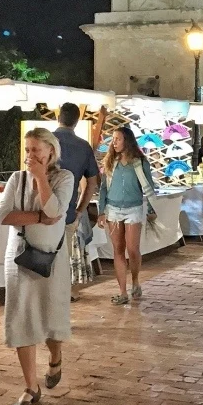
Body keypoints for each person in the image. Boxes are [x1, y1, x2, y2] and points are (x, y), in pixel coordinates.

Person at [0, 127, 75, 405]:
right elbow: (5, 215)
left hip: (51, 259)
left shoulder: (64, 178)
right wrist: (38, 217)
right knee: (21, 318)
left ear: (51, 152)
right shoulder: (16, 180)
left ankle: (55, 358)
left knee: (51, 316)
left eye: (36, 150)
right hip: (18, 255)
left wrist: (41, 179)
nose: (30, 156)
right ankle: (30, 386)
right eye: (27, 150)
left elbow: (56, 212)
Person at [98, 127, 156, 305]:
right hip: (113, 209)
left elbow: (149, 185)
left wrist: (151, 209)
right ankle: (122, 292)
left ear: (127, 141)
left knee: (132, 249)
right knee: (118, 249)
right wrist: (101, 211)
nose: (114, 142)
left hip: (134, 209)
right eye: (113, 139)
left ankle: (136, 280)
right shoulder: (110, 161)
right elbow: (103, 188)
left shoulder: (139, 162)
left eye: (118, 139)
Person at [53, 104, 101, 301]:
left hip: (39, 212)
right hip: (68, 213)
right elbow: (92, 183)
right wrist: (80, 209)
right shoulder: (83, 146)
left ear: (58, 116)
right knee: (63, 258)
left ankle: (44, 301)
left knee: (42, 257)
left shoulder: (45, 140)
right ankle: (61, 298)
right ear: (77, 120)